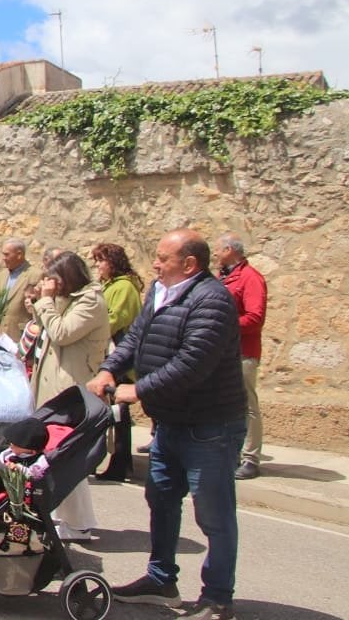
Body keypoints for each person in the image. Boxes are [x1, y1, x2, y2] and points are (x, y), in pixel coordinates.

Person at [90, 229, 246, 620]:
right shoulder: (159, 293)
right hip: (170, 422)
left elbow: (192, 363)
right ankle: (161, 580)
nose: (155, 264)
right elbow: (135, 340)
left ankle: (217, 597)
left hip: (210, 426)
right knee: (160, 500)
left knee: (213, 514)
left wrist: (136, 390)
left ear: (189, 264)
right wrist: (110, 369)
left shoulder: (213, 300)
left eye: (163, 257)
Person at [29, 250, 110, 542]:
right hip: (57, 387)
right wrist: (40, 302)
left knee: (69, 457)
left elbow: (62, 333)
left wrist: (47, 301)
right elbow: (47, 328)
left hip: (74, 389)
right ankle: (72, 519)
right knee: (60, 456)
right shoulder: (69, 301)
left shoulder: (91, 301)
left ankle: (77, 523)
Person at [91, 242, 144, 481]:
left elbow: (114, 319)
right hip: (108, 353)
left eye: (101, 260)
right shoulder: (107, 286)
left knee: (119, 413)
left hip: (118, 356)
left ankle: (121, 462)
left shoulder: (124, 287)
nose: (98, 266)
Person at [216, 234, 267, 481]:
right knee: (225, 405)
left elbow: (255, 317)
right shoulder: (224, 277)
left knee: (248, 406)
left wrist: (223, 324)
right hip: (224, 351)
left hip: (243, 351)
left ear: (229, 250)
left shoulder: (250, 278)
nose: (215, 254)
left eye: (219, 249)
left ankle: (251, 458)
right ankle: (231, 452)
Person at [0, 237, 40, 342]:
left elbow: (37, 308)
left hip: (21, 336)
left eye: (6, 254)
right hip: (0, 335)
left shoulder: (35, 275)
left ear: (19, 254)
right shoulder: (2, 275)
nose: (3, 258)